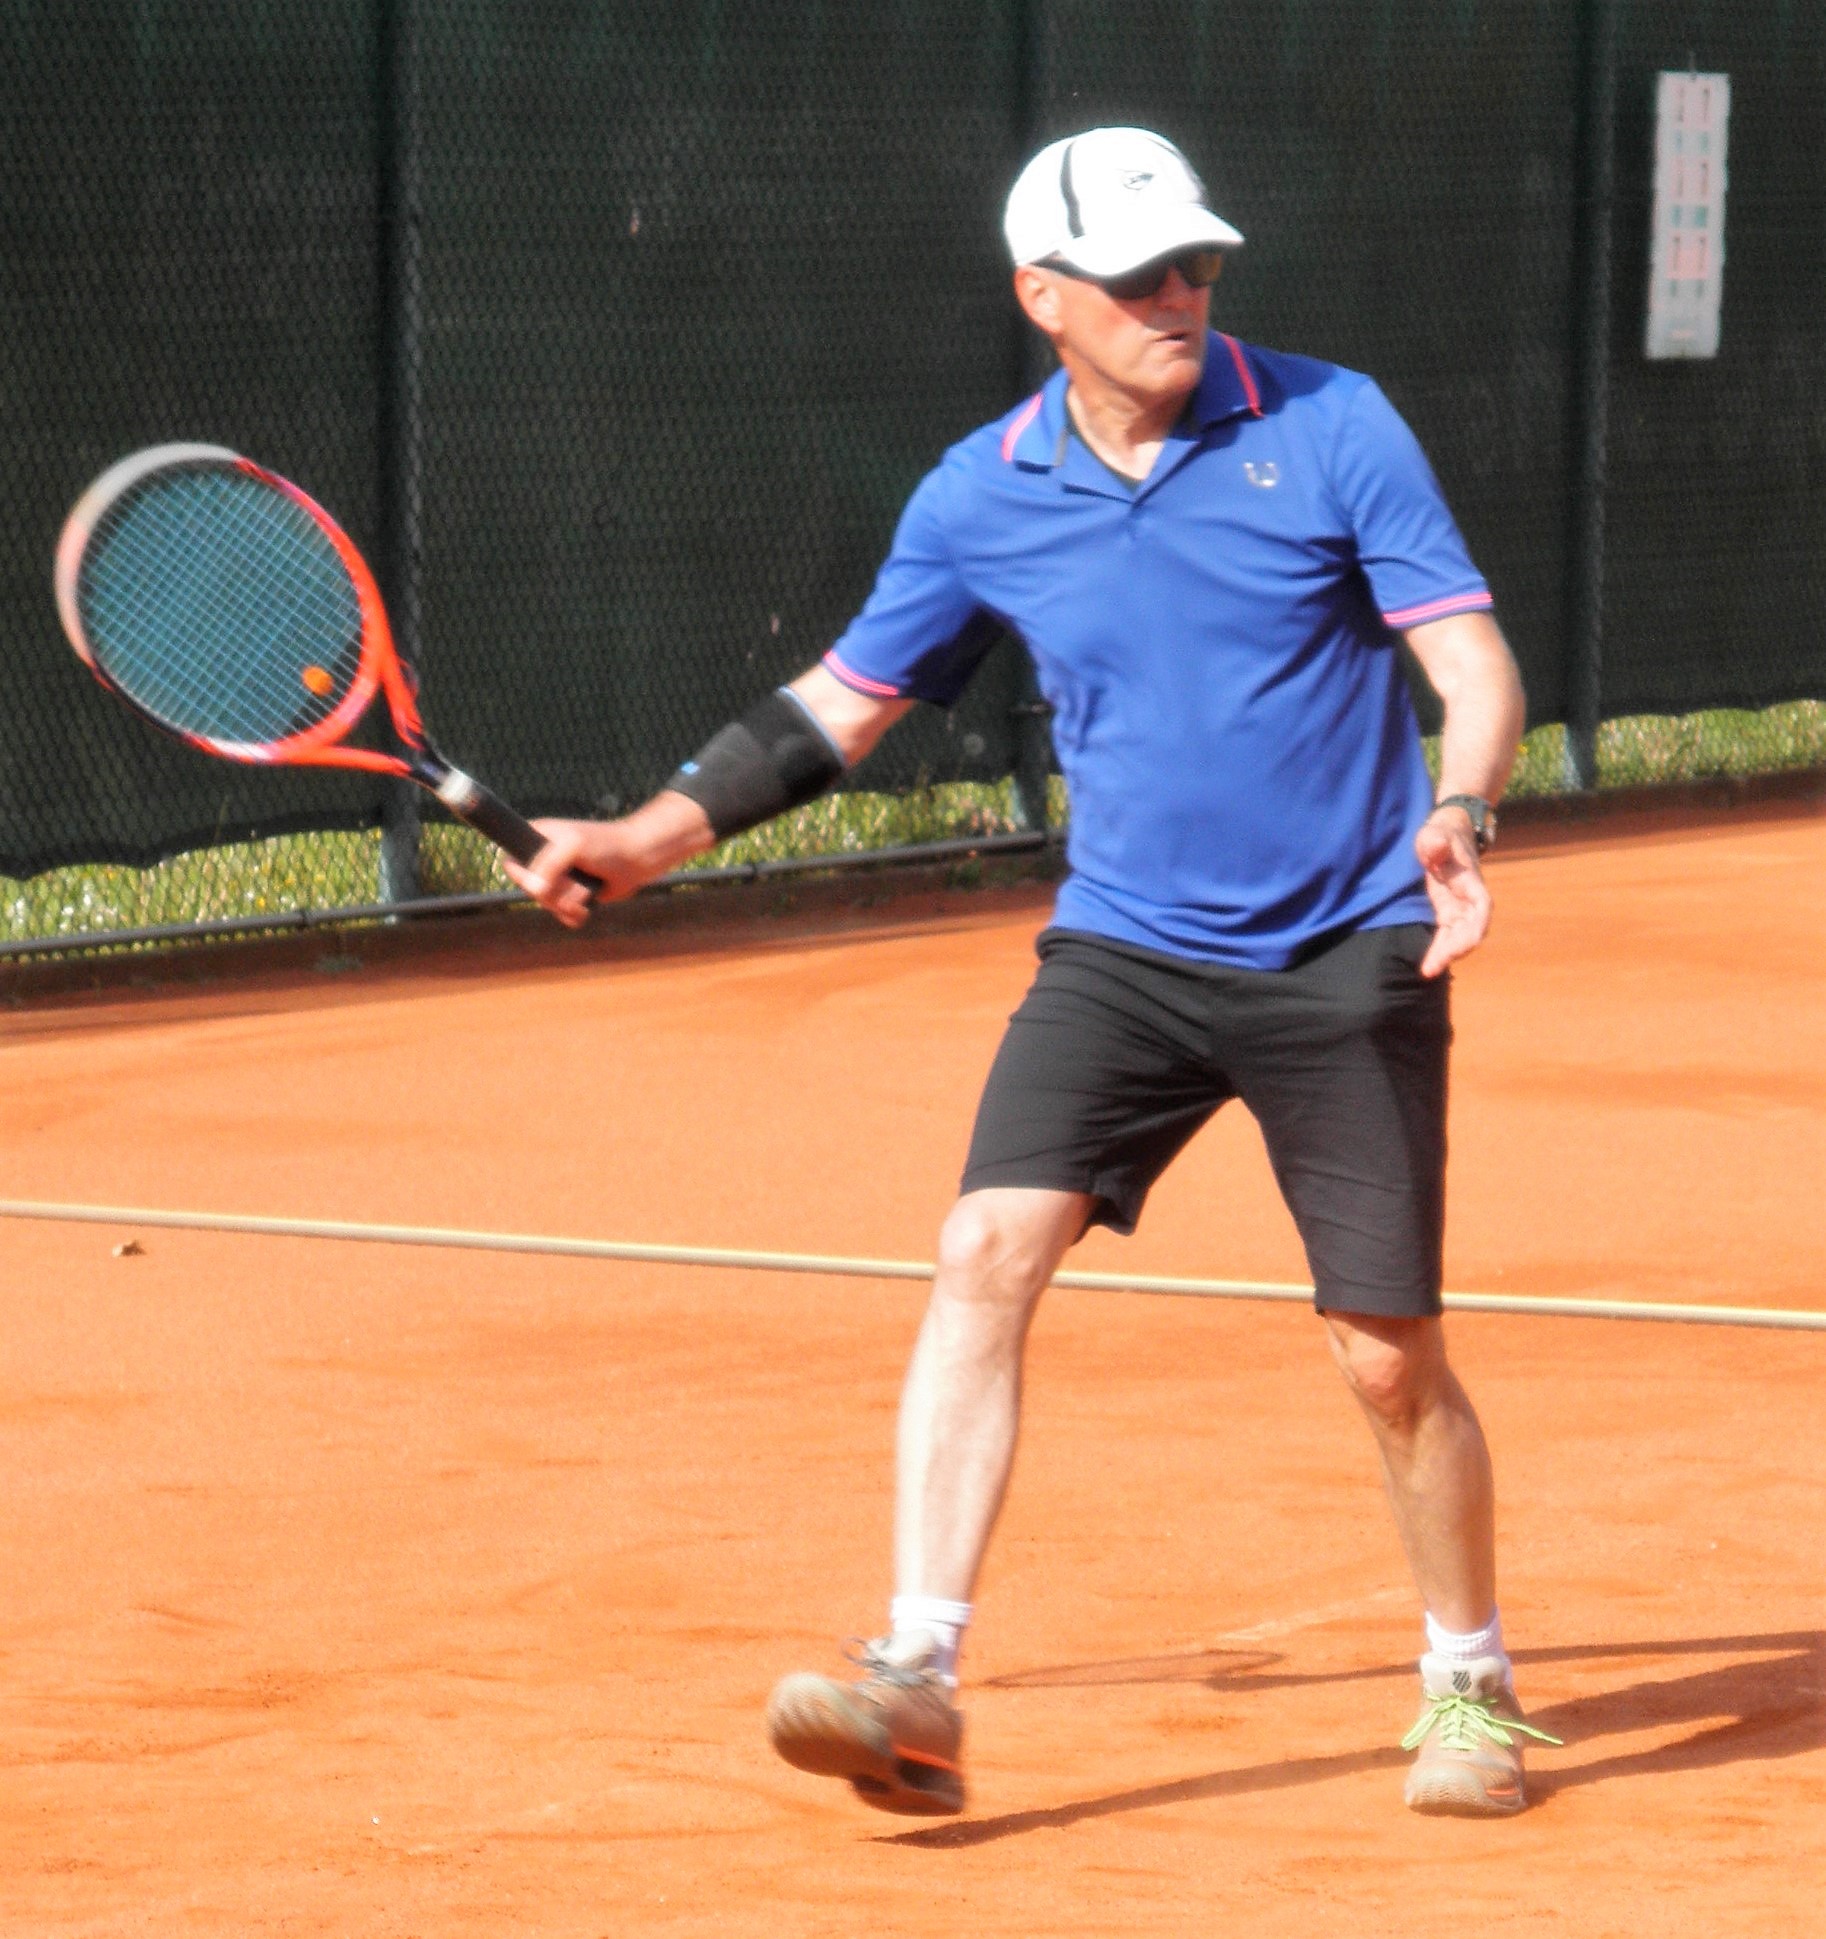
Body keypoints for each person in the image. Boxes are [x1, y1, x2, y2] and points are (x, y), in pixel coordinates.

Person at [505, 126, 1556, 1820]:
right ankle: (915, 1678)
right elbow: (839, 708)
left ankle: (1470, 1684)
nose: (1178, 295)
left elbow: (1472, 661)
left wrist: (1460, 809)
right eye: (1137, 275)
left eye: (1196, 264)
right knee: (984, 1249)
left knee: (1382, 1356)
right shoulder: (977, 491)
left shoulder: (1329, 422)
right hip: (1126, 948)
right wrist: (642, 836)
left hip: (1346, 940)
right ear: (1042, 298)